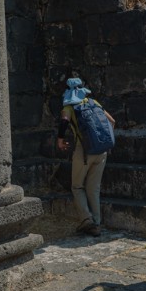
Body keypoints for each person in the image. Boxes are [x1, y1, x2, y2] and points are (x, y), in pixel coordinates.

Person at [56, 78, 115, 237]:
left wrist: (60, 140)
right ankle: (96, 223)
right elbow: (112, 121)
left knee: (77, 186)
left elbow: (64, 122)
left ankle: (86, 220)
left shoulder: (69, 107)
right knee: (93, 188)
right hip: (102, 150)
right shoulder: (93, 102)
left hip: (84, 151)